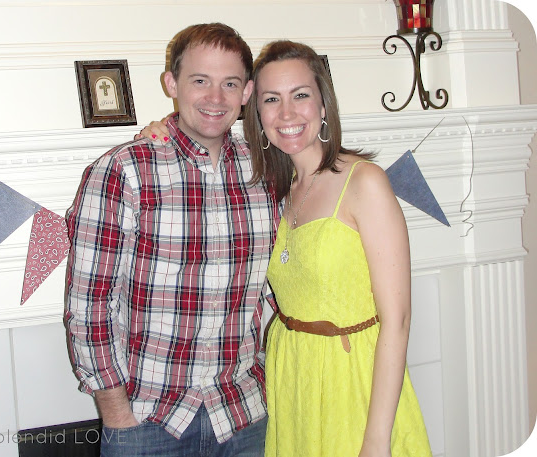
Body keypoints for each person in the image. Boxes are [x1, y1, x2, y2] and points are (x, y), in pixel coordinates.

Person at [142, 40, 433, 457]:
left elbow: (398, 320)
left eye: (300, 95)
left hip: (352, 380)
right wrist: (163, 128)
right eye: (271, 99)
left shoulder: (364, 183)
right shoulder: (273, 188)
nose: (287, 113)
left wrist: (376, 439)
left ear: (323, 104)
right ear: (256, 113)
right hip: (289, 378)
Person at [64, 23, 279, 457]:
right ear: (172, 84)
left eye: (229, 83)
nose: (215, 98)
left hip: (244, 416)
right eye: (200, 80)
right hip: (147, 422)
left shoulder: (268, 173)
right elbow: (89, 305)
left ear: (247, 92)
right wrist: (116, 414)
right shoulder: (124, 170)